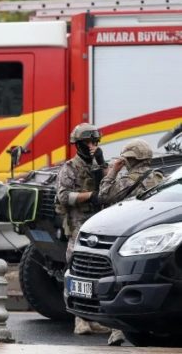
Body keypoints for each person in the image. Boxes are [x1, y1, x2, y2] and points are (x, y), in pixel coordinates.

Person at [97, 138, 163, 346]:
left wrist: (111, 172)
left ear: (130, 160)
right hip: (150, 238)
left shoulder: (125, 181)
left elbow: (103, 195)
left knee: (118, 282)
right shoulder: (160, 178)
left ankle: (118, 330)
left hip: (125, 235)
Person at [55, 123, 110, 336]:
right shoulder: (69, 168)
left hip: (101, 227)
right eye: (87, 142)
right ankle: (80, 319)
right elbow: (63, 196)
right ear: (78, 145)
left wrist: (102, 163)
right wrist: (90, 196)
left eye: (94, 142)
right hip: (79, 227)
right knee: (76, 271)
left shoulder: (100, 165)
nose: (91, 145)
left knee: (97, 274)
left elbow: (111, 187)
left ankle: (94, 318)